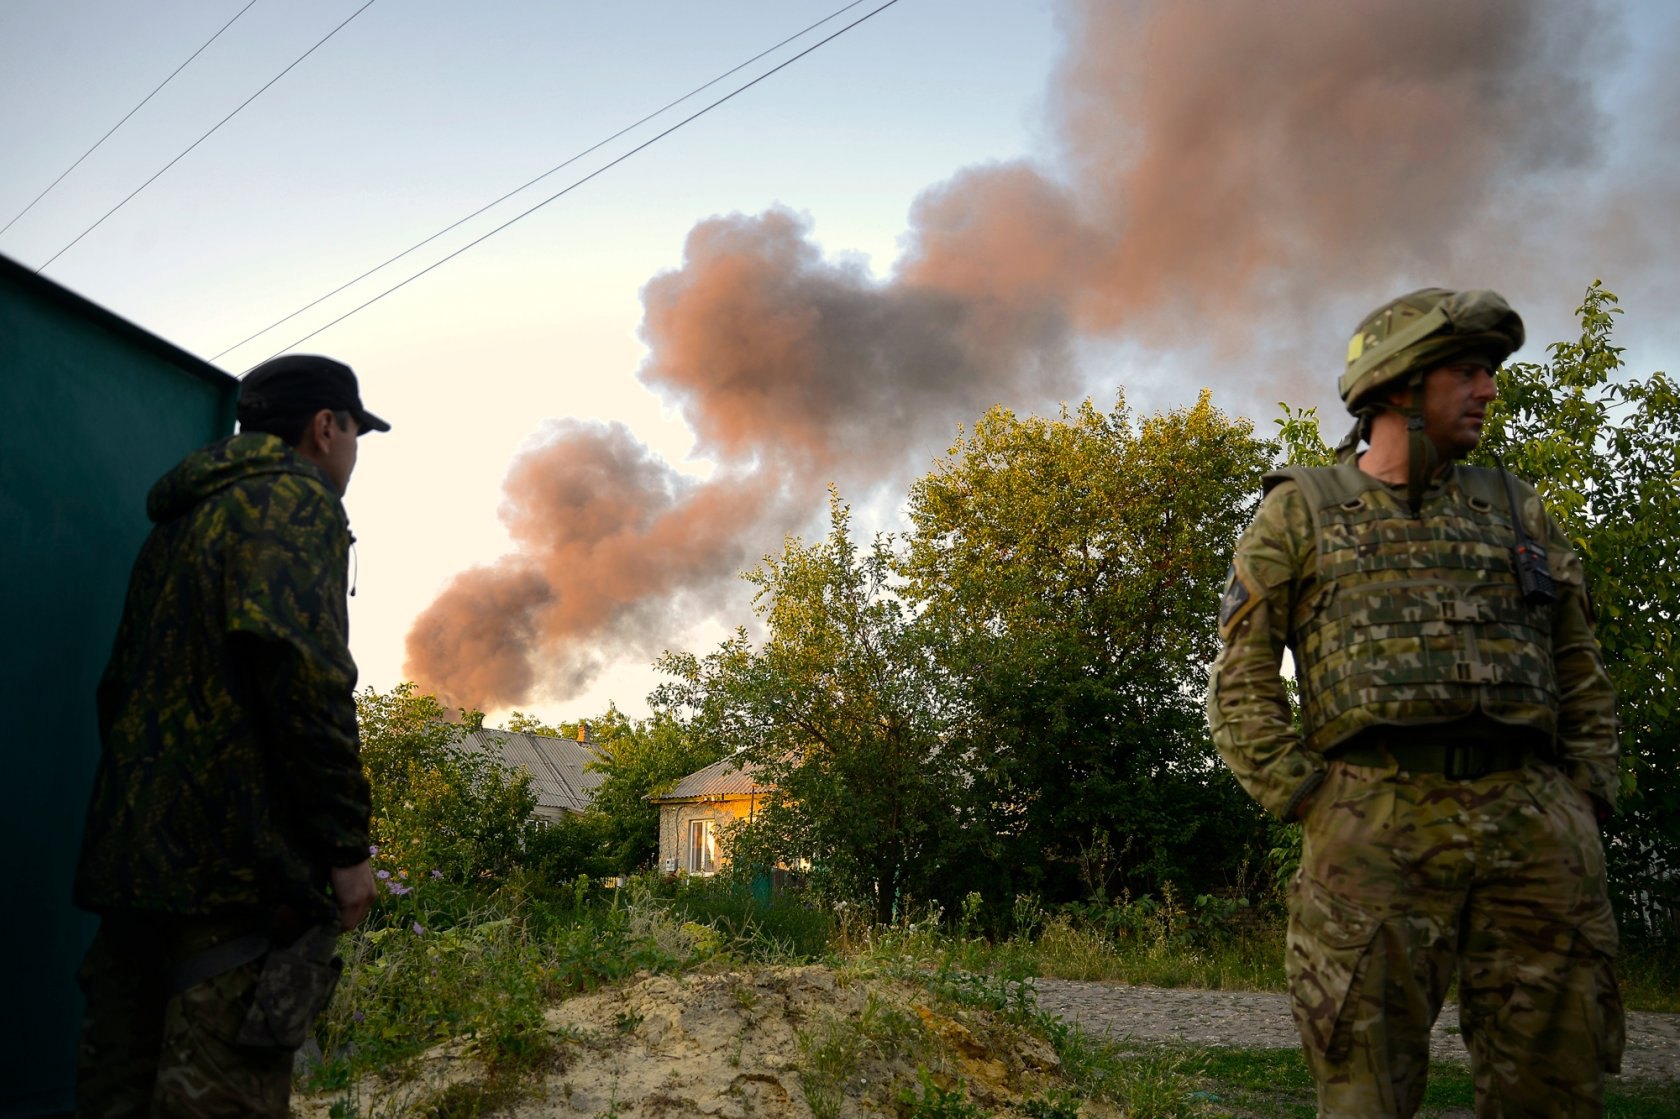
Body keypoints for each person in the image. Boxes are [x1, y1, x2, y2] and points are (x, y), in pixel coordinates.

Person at [1207, 289, 1624, 1118]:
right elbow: (1239, 678)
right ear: (1399, 387)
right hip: (1374, 820)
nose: (1488, 390)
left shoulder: (1516, 509)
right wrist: (1311, 797)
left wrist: (1584, 795)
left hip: (1535, 824)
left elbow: (1579, 663)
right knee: (1365, 1087)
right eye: (1467, 371)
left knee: (1556, 1088)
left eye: (1489, 372)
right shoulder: (1301, 512)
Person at [73, 354, 389, 1118]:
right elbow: (305, 679)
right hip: (233, 886)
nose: (354, 450)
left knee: (117, 1093)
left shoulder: (183, 518)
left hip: (136, 875)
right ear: (325, 427)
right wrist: (346, 848)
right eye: (355, 432)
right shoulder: (295, 501)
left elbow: (118, 689)